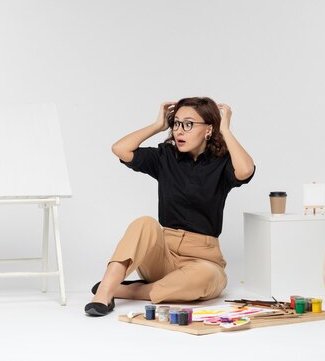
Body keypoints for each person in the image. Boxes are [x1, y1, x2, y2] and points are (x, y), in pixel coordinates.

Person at [84, 97, 255, 316]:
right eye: (176, 123)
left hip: (203, 259)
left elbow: (245, 171)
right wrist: (157, 125)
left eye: (188, 124)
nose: (179, 131)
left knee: (207, 278)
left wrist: (226, 130)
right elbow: (120, 149)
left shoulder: (221, 163)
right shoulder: (165, 157)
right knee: (144, 223)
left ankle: (129, 291)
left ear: (208, 130)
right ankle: (105, 293)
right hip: (162, 254)